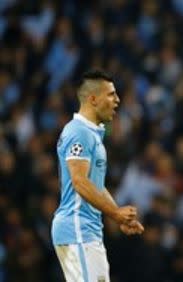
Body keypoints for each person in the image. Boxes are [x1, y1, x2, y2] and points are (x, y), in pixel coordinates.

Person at [51, 70, 144, 282]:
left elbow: (96, 185)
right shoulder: (79, 132)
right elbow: (80, 182)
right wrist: (115, 212)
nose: (117, 100)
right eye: (111, 94)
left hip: (88, 230)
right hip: (76, 228)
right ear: (93, 99)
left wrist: (116, 214)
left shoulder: (92, 134)